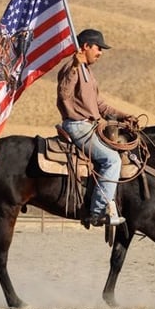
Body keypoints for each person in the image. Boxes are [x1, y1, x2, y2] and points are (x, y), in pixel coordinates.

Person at [56, 28, 136, 227]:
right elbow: (63, 95)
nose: (100, 53)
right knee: (112, 160)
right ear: (86, 47)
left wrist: (124, 115)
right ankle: (98, 211)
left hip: (91, 126)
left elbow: (100, 105)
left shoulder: (88, 73)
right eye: (98, 48)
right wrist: (75, 66)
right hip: (77, 126)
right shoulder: (71, 69)